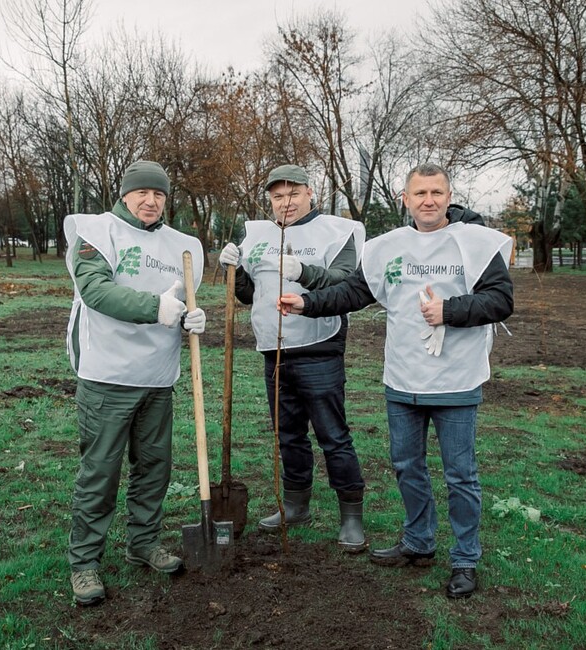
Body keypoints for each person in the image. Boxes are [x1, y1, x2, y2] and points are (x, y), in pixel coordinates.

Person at [278, 163, 514, 598]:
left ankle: (465, 558)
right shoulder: (388, 247)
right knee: (408, 466)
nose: (429, 200)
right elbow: (353, 292)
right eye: (420, 193)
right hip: (403, 378)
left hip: (456, 381)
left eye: (437, 192)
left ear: (449, 196)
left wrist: (451, 310)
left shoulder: (476, 245)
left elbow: (500, 300)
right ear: (404, 199)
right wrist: (307, 303)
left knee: (460, 474)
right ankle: (419, 541)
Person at [63, 160, 206, 606]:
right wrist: (157, 308)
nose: (150, 200)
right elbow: (97, 292)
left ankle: (142, 543)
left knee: (154, 468)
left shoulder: (182, 246)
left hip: (157, 378)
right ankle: (84, 562)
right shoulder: (96, 233)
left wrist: (190, 319)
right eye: (142, 193)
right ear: (124, 195)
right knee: (101, 472)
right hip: (107, 375)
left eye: (159, 194)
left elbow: (183, 301)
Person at [218, 164, 368, 552]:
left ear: (310, 193)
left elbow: (346, 283)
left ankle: (351, 516)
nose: (286, 203)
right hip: (274, 349)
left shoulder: (339, 232)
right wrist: (234, 270)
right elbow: (250, 295)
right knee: (287, 434)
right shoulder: (258, 235)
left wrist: (303, 271)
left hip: (319, 347)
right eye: (278, 197)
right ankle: (295, 504)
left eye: (294, 194)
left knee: (332, 436)